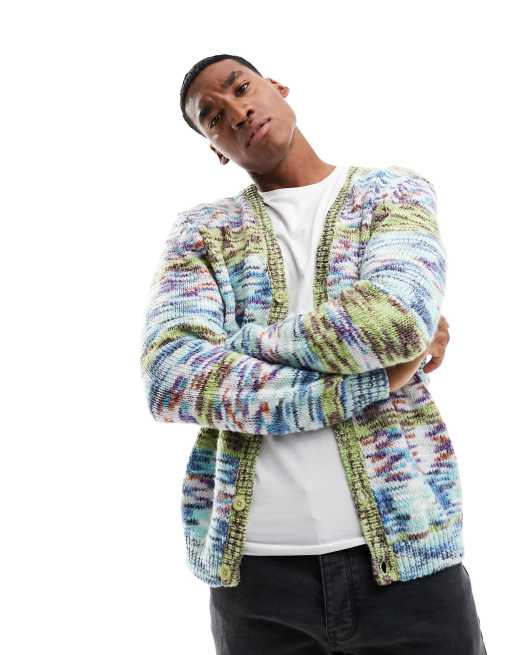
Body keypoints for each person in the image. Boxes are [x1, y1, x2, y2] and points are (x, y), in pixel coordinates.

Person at [140, 53, 487, 654]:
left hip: (409, 561)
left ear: (276, 87)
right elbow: (172, 378)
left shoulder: (392, 192)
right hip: (256, 582)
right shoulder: (201, 232)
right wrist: (375, 380)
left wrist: (239, 347)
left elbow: (394, 322)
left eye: (241, 88)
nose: (237, 111)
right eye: (213, 118)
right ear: (215, 149)